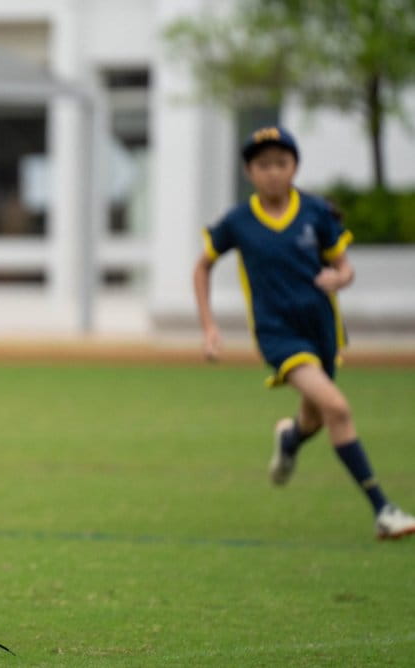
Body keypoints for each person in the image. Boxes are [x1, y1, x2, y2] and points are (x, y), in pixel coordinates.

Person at [193, 126, 415, 540]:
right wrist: (209, 328)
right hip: (278, 335)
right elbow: (202, 266)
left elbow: (344, 266)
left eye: (281, 163)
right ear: (249, 171)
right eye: (263, 165)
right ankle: (383, 509)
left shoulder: (316, 213)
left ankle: (290, 439)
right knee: (338, 408)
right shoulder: (238, 222)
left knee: (314, 416)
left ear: (294, 166)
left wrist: (340, 277)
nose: (273, 172)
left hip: (323, 331)